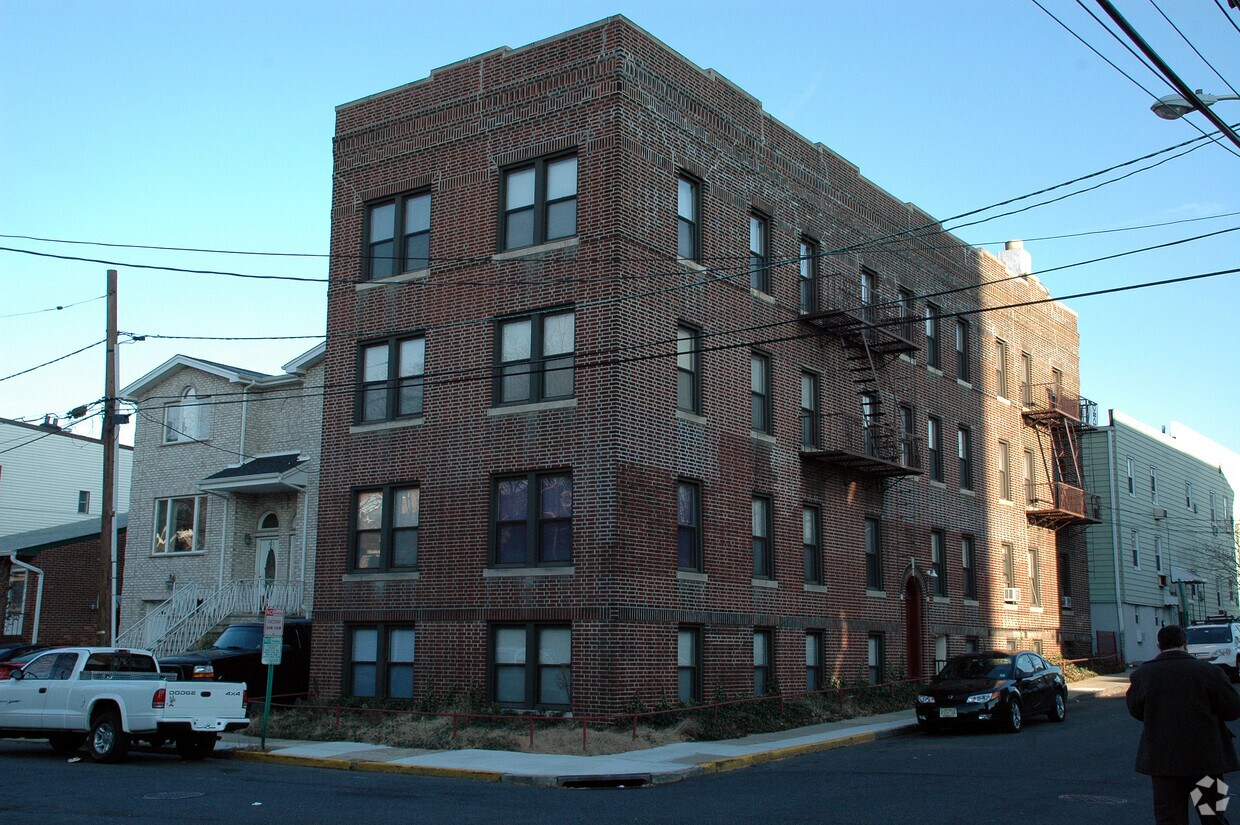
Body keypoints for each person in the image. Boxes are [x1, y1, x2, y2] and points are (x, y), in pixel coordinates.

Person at [1127, 624, 1240, 824]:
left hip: (1164, 765)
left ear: (1159, 645)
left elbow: (1136, 711)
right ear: (1185, 643)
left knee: (1169, 819)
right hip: (1207, 762)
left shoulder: (1143, 675)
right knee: (1213, 816)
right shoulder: (1209, 672)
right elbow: (1233, 710)